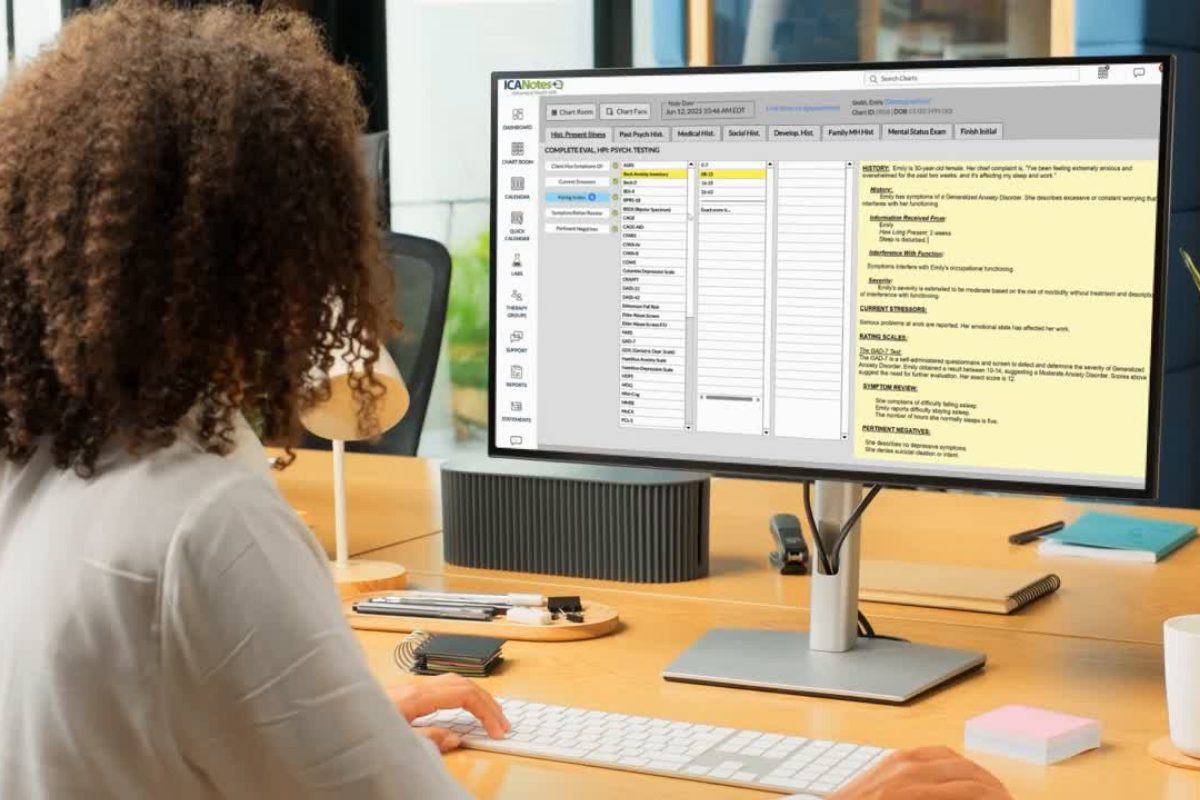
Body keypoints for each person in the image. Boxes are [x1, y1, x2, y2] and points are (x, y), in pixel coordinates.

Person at [0, 3, 1010, 798]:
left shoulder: (48, 459)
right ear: (278, 255)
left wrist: (332, 725)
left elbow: (139, 711)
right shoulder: (206, 522)